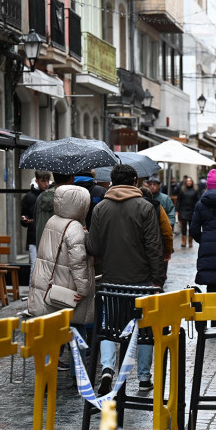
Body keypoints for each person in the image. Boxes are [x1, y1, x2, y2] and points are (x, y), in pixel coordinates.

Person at [86, 164, 163, 394]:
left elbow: (95, 247)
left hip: (111, 282)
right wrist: (157, 279)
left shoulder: (101, 209)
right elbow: (154, 246)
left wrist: (86, 236)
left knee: (108, 326)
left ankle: (108, 368)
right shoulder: (145, 207)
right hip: (141, 281)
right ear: (135, 180)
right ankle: (143, 378)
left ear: (111, 181)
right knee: (144, 328)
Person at [26, 185, 95, 368]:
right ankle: (78, 373)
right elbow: (78, 262)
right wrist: (83, 288)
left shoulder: (52, 221)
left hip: (50, 285)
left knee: (51, 332)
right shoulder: (74, 227)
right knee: (76, 330)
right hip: (68, 288)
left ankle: (46, 372)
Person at [190, 169, 216, 292]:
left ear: (208, 185)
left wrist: (204, 239)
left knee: (211, 283)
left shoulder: (200, 204)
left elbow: (194, 230)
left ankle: (211, 308)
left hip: (208, 246)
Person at [34, 172, 75, 250]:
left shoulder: (41, 197)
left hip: (43, 248)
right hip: (63, 250)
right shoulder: (71, 198)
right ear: (70, 179)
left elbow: (36, 222)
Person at [21, 170, 51, 275]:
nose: (46, 183)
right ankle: (33, 291)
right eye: (43, 181)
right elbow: (24, 215)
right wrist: (26, 220)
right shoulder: (29, 197)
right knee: (34, 267)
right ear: (37, 181)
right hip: (34, 237)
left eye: (47, 180)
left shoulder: (51, 194)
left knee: (47, 268)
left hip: (47, 236)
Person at [176, 176, 198, 248]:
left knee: (191, 227)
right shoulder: (182, 190)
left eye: (190, 181)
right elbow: (178, 200)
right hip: (183, 211)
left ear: (192, 182)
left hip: (192, 210)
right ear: (185, 182)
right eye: (187, 181)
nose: (188, 182)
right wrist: (177, 210)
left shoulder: (195, 190)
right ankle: (184, 241)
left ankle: (190, 242)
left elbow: (197, 201)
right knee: (183, 227)